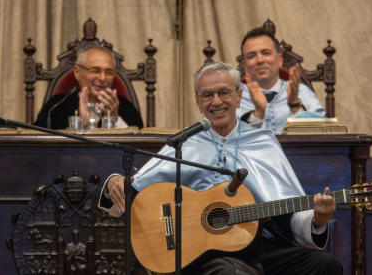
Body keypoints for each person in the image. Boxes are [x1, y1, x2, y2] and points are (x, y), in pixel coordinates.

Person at [99, 62, 342, 274]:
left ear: (238, 96)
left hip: (259, 245)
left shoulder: (264, 142)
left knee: (325, 264)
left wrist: (317, 220)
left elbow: (289, 208)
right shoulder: (185, 142)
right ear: (198, 102)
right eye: (207, 95)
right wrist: (113, 184)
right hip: (201, 252)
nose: (216, 101)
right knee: (229, 271)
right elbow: (136, 190)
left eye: (223, 92)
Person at [237, 28, 325, 134]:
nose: (260, 60)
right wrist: (258, 114)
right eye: (251, 56)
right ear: (245, 66)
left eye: (266, 53)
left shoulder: (302, 92)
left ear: (279, 60)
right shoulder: (233, 98)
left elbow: (323, 136)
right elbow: (227, 142)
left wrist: (295, 106)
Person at [34, 45, 144, 130]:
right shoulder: (56, 107)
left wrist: (113, 120)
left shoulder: (124, 107)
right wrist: (81, 125)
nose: (102, 78)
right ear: (77, 72)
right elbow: (40, 150)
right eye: (95, 71)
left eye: (109, 72)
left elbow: (140, 150)